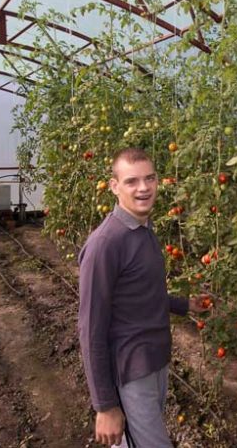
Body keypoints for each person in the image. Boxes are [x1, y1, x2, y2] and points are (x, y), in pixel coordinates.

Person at [78, 147, 207, 447]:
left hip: (155, 361)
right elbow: (89, 329)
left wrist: (184, 305)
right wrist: (105, 406)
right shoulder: (105, 244)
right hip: (131, 370)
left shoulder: (143, 229)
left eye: (149, 179)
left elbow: (145, 294)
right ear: (114, 187)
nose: (143, 188)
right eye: (132, 181)